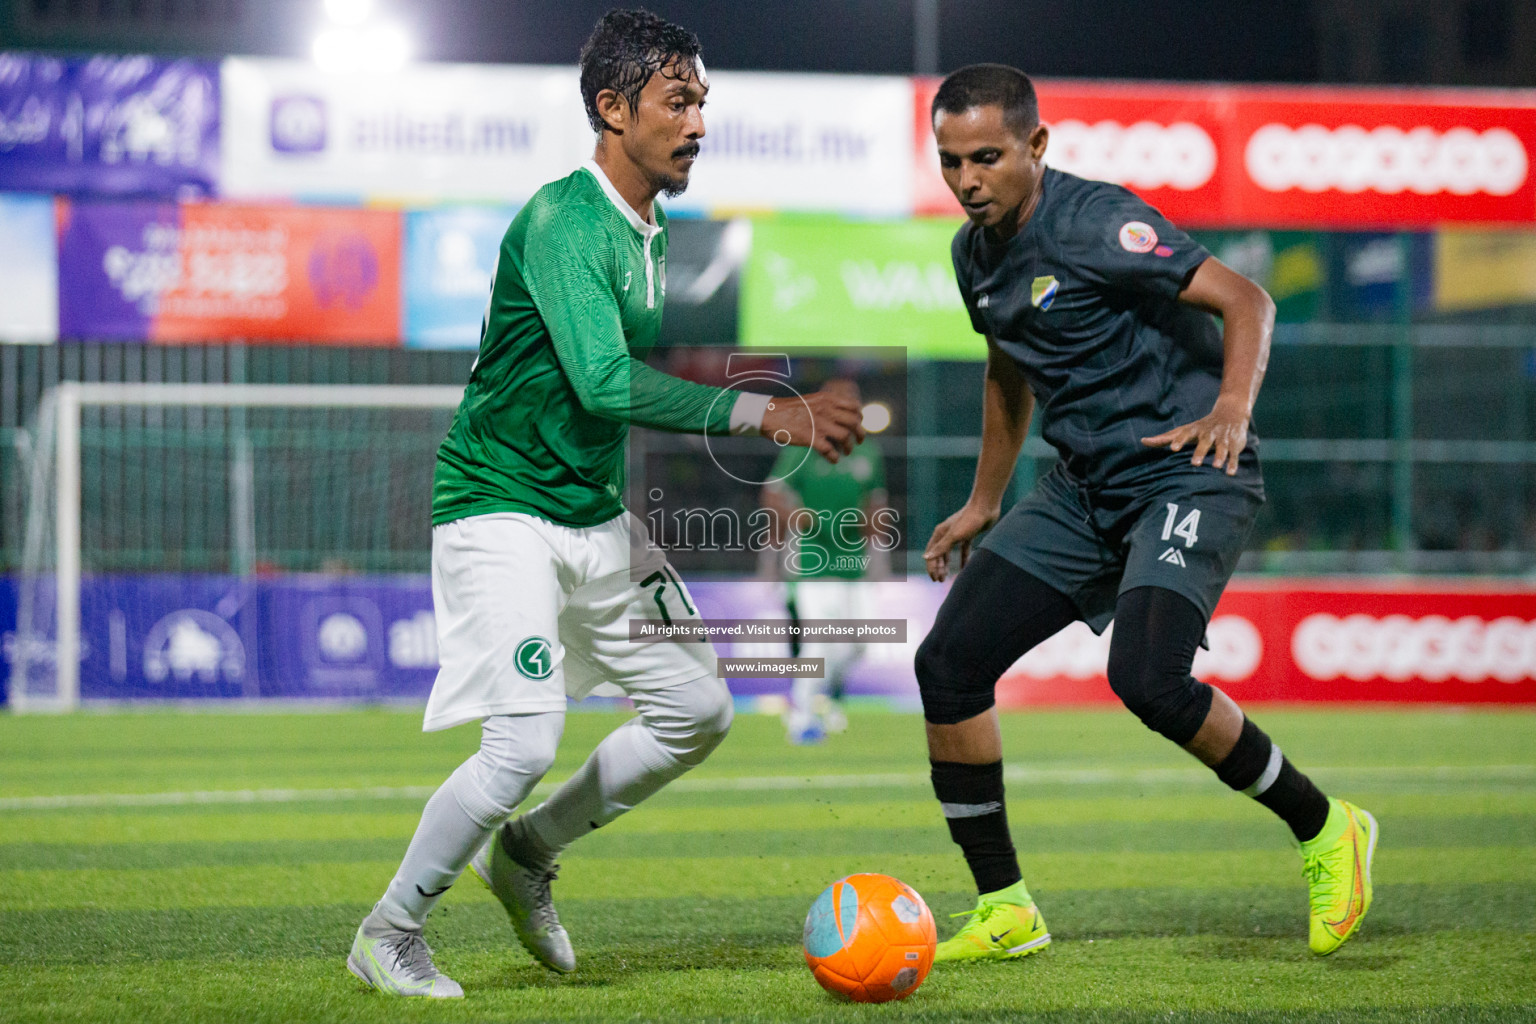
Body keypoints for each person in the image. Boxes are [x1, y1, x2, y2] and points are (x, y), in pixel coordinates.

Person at [347, 9, 863, 998]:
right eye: (679, 101)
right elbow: (604, 383)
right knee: (523, 742)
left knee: (698, 708)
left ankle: (527, 854)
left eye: (703, 100)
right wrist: (766, 415)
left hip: (589, 516)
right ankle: (390, 929)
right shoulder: (563, 218)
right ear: (612, 108)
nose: (699, 121)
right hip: (498, 508)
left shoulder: (652, 226)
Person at [915, 64, 1376, 964]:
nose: (968, 180)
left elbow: (1248, 298)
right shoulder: (974, 257)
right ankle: (1005, 906)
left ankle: (1328, 829)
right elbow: (1008, 370)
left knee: (1149, 679)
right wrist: (983, 499)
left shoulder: (1093, 221)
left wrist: (1234, 410)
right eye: (950, 161)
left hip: (1186, 473)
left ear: (1036, 148)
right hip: (1083, 491)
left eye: (988, 157)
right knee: (950, 661)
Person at [760, 400, 889, 743]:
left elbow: (876, 503)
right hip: (811, 565)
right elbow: (773, 493)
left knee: (861, 643)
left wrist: (879, 557)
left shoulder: (868, 451)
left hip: (854, 565)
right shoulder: (803, 447)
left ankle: (829, 693)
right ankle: (800, 718)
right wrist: (792, 520)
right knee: (817, 642)